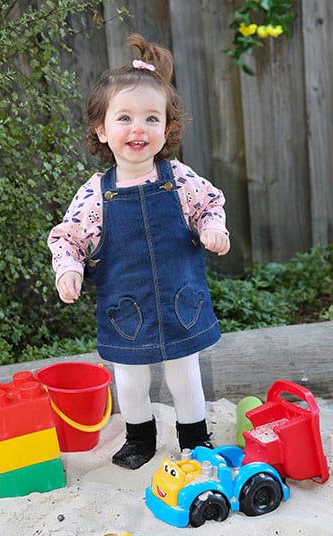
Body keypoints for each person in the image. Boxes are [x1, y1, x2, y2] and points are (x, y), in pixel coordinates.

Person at [48, 34, 230, 469]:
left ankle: (194, 437)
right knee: (129, 380)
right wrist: (67, 270)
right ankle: (139, 438)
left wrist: (213, 228)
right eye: (124, 117)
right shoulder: (96, 194)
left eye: (151, 118)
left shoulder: (179, 178)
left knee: (184, 374)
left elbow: (209, 203)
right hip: (125, 309)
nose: (138, 129)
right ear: (101, 129)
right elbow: (67, 237)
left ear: (166, 129)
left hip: (179, 300)